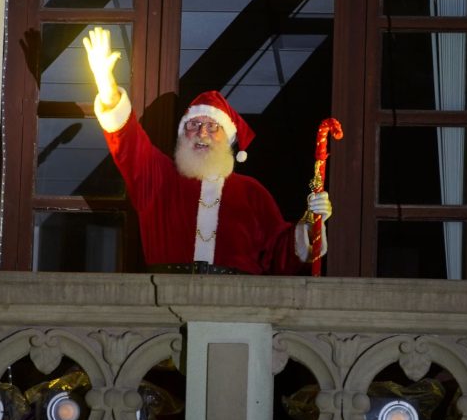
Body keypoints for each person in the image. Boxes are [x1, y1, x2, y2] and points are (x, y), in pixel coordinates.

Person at [83, 27, 332, 275]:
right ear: (182, 135)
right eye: (194, 125)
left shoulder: (252, 193)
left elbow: (281, 256)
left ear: (228, 139)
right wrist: (108, 90)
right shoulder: (160, 179)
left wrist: (311, 223)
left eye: (213, 126)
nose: (203, 133)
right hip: (165, 300)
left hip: (236, 304)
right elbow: (128, 141)